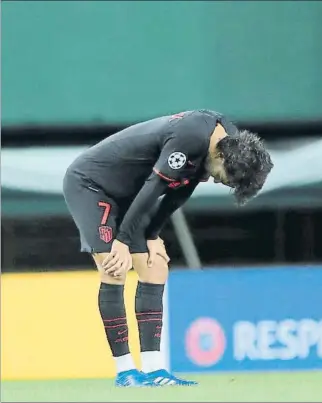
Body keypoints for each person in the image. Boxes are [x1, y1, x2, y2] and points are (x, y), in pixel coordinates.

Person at [63, 109, 273, 387]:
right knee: (114, 267)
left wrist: (152, 233)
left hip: (132, 194)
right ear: (221, 157)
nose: (222, 182)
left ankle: (154, 370)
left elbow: (180, 191)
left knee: (155, 266)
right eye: (225, 178)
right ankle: (126, 372)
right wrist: (123, 241)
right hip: (92, 185)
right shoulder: (192, 137)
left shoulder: (228, 141)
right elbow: (155, 186)